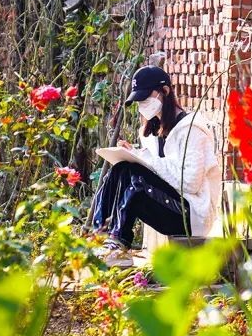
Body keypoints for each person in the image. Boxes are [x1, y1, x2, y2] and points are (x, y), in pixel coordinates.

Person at [91, 66, 221, 266]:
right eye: (139, 101)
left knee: (136, 176)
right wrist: (137, 155)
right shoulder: (151, 132)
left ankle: (119, 242)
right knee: (121, 168)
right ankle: (99, 235)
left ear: (166, 91)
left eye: (146, 98)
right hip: (168, 206)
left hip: (191, 215)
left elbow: (191, 183)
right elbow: (159, 171)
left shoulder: (192, 129)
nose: (143, 105)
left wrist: (147, 159)